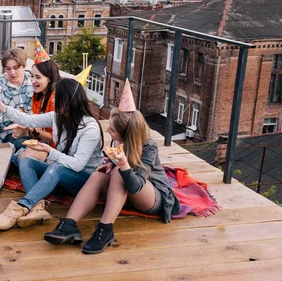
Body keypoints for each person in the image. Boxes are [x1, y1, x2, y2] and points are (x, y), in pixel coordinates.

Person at [44, 79, 180, 254]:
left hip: (153, 197)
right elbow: (114, 163)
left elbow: (136, 185)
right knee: (97, 174)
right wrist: (109, 163)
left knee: (118, 173)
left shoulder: (148, 146)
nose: (108, 131)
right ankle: (69, 224)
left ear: (127, 133)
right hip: (127, 187)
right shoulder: (118, 140)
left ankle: (105, 228)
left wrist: (121, 164)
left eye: (112, 129)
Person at [0, 77, 104, 230]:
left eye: (58, 98)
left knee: (57, 167)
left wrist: (50, 151)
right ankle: (37, 209)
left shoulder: (90, 129)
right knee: (26, 160)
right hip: (62, 173)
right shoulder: (57, 117)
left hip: (85, 182)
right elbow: (28, 120)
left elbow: (78, 164)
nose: (54, 101)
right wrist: (3, 108)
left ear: (69, 101)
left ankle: (21, 207)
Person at [6, 39, 60, 162]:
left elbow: (55, 138)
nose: (33, 81)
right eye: (32, 76)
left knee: (24, 158)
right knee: (13, 147)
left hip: (56, 149)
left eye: (38, 77)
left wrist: (30, 128)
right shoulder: (37, 97)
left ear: (50, 79)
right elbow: (36, 128)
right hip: (40, 142)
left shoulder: (55, 100)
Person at [0, 48, 34, 149]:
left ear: (24, 66)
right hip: (7, 133)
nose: (12, 73)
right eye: (8, 69)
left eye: (16, 68)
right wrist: (17, 118)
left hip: (33, 130)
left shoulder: (33, 82)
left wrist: (21, 120)